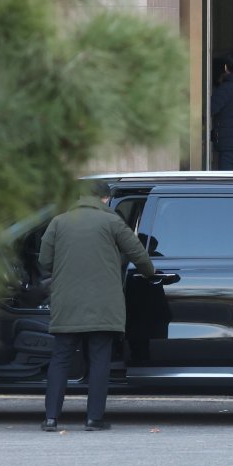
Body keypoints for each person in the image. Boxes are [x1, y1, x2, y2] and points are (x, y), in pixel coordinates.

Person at [38, 182, 157, 432]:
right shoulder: (112, 222)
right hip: (103, 305)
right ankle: (94, 419)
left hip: (66, 303)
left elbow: (44, 260)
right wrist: (149, 272)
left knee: (60, 359)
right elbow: (138, 255)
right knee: (99, 360)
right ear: (106, 198)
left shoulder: (59, 222)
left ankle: (51, 418)